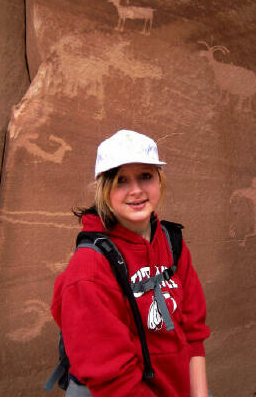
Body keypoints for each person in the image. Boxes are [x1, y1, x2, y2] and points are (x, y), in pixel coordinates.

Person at [51, 129, 211, 397]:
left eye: (145, 176)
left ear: (160, 181)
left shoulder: (171, 242)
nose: (136, 190)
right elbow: (112, 378)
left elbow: (194, 333)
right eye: (121, 180)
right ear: (103, 189)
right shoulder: (90, 267)